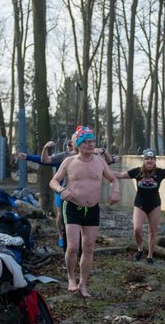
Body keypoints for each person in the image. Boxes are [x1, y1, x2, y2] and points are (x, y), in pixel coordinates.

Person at [49, 126, 121, 298]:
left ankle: (83, 284)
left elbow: (113, 179)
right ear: (78, 144)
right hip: (72, 207)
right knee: (73, 247)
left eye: (92, 141)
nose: (90, 145)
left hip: (92, 209)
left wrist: (116, 191)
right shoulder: (69, 162)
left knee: (88, 248)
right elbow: (53, 181)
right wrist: (61, 190)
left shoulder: (100, 162)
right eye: (86, 142)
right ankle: (71, 277)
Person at [112, 149, 165, 263]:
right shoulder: (137, 171)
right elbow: (120, 175)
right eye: (147, 158)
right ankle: (140, 249)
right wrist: (103, 170)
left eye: (152, 158)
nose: (149, 161)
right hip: (140, 203)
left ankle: (150, 255)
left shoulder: (160, 172)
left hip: (154, 204)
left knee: (152, 232)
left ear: (155, 160)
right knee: (137, 229)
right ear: (144, 160)